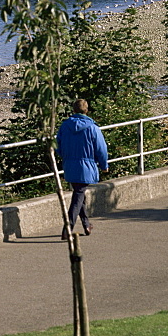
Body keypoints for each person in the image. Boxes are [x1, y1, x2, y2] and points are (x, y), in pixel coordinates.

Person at [56, 99, 108, 240]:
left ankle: (86, 224)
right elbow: (101, 149)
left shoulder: (65, 126)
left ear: (73, 110)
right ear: (87, 110)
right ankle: (68, 228)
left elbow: (58, 145)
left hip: (70, 165)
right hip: (86, 165)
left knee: (79, 194)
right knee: (78, 196)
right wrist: (104, 166)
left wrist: (66, 157)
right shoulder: (92, 128)